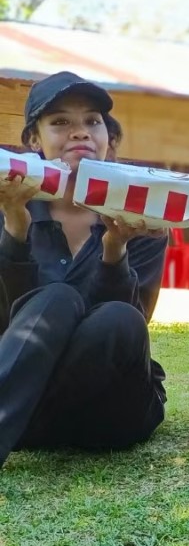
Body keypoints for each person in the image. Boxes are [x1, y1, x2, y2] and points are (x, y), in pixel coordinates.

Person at [0, 71, 166, 467]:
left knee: (120, 318)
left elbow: (129, 334)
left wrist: (114, 249)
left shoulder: (143, 216)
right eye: (60, 122)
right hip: (27, 399)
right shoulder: (5, 207)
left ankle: (25, 421)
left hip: (110, 410)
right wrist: (15, 230)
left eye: (93, 121)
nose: (80, 132)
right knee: (57, 298)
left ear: (109, 138)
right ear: (34, 141)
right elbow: (6, 325)